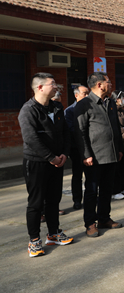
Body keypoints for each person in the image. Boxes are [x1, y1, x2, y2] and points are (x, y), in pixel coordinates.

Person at [18, 73, 73, 257]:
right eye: (52, 84)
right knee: (36, 203)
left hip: (57, 161)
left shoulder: (57, 107)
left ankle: (54, 233)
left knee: (53, 200)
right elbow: (31, 139)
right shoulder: (28, 110)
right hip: (37, 162)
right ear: (40, 87)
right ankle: (34, 240)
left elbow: (66, 132)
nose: (56, 86)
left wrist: (64, 154)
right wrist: (51, 157)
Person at [74, 72, 124, 238]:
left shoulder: (110, 102)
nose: (110, 84)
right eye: (108, 82)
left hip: (111, 154)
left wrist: (119, 149)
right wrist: (86, 154)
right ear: (99, 85)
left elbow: (116, 129)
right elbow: (80, 132)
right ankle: (90, 223)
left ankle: (104, 218)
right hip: (94, 157)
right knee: (91, 191)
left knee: (107, 189)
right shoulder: (84, 104)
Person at [64, 84, 89, 210]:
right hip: (76, 148)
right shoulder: (69, 111)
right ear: (76, 95)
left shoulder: (91, 108)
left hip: (91, 147)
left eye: (88, 93)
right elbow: (72, 130)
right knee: (77, 175)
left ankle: (90, 198)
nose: (87, 96)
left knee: (91, 175)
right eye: (85, 94)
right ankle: (77, 200)